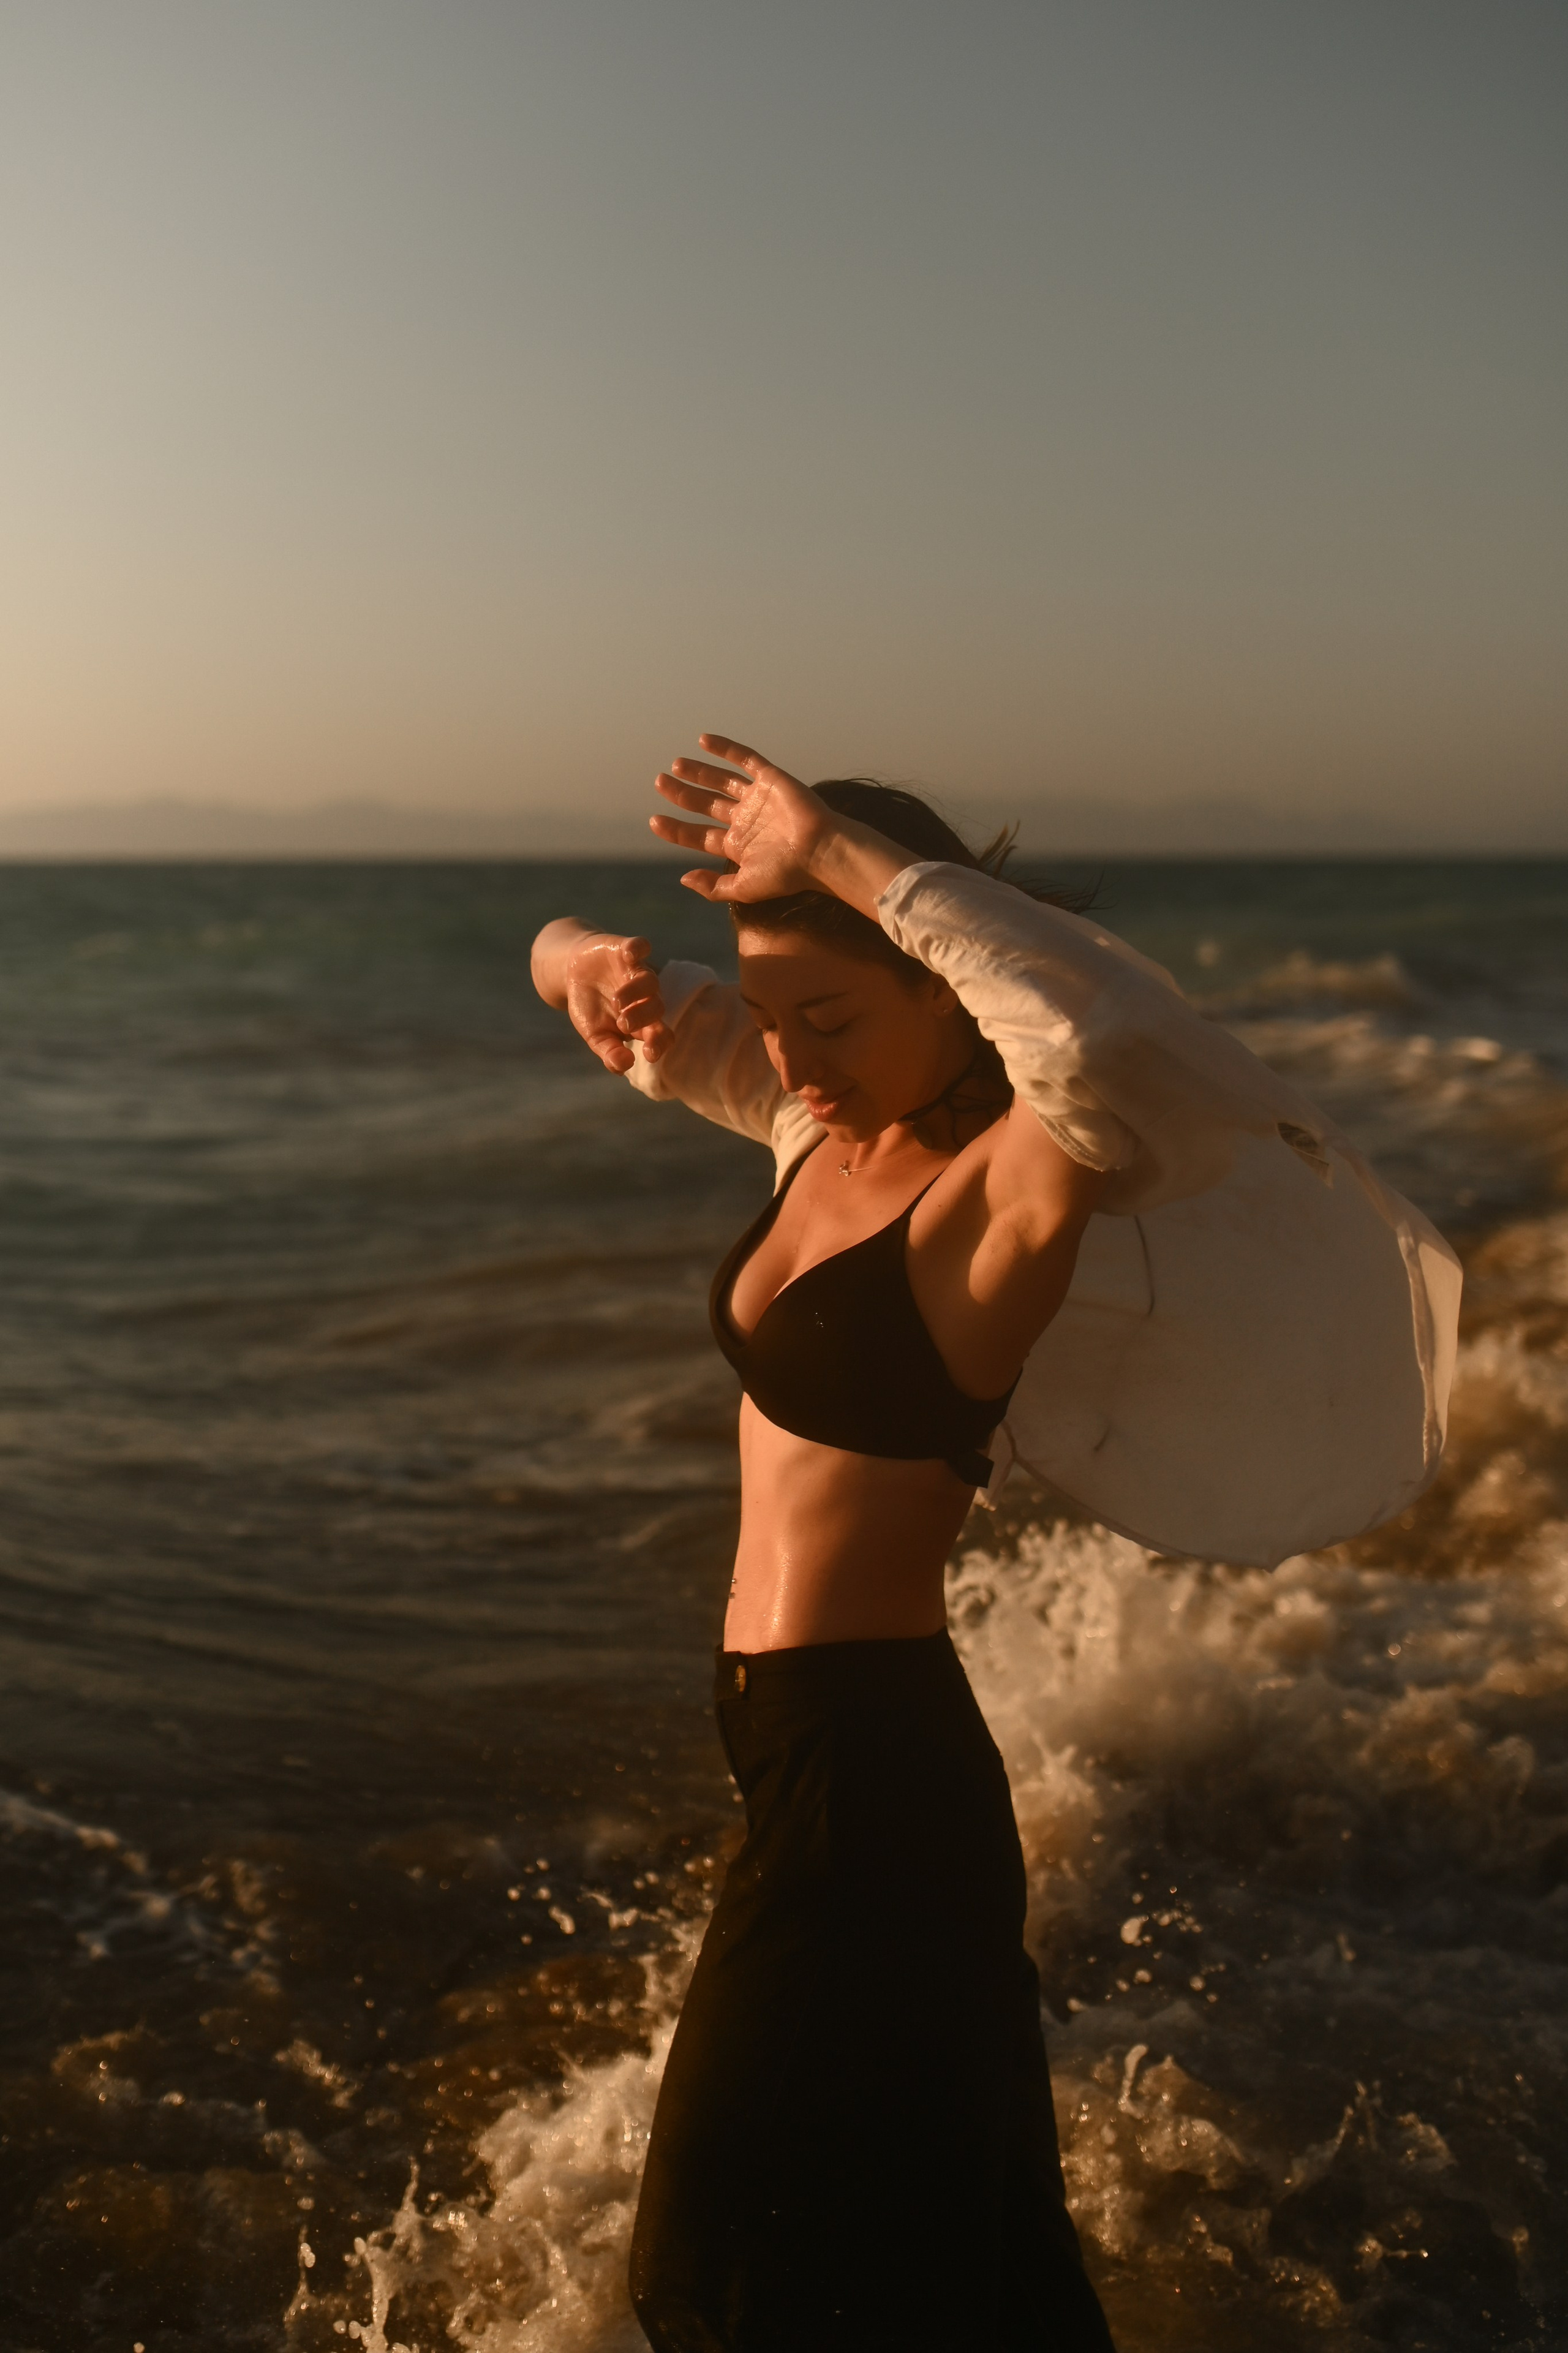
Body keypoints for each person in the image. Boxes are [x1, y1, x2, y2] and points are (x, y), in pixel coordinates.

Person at [530, 735, 1460, 2351]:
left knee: (709, 2273)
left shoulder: (1020, 1178)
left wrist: (852, 857)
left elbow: (1113, 1036)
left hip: (875, 1775)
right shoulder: (819, 1129)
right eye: (774, 1017)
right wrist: (577, 963)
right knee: (982, 2263)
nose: (794, 1053)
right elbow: (629, 1004)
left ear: (947, 986)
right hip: (803, 1751)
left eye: (835, 1016)